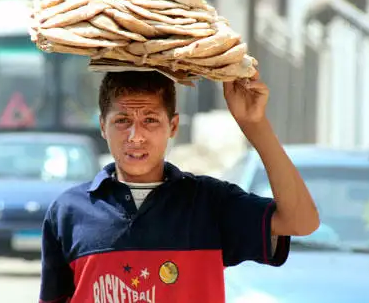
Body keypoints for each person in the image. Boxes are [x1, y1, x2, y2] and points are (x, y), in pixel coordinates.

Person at [39, 71, 320, 303]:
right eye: (122, 121)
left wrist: (254, 125)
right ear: (103, 126)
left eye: (150, 120)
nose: (136, 137)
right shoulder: (68, 211)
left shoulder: (210, 203)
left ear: (173, 126)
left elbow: (301, 222)